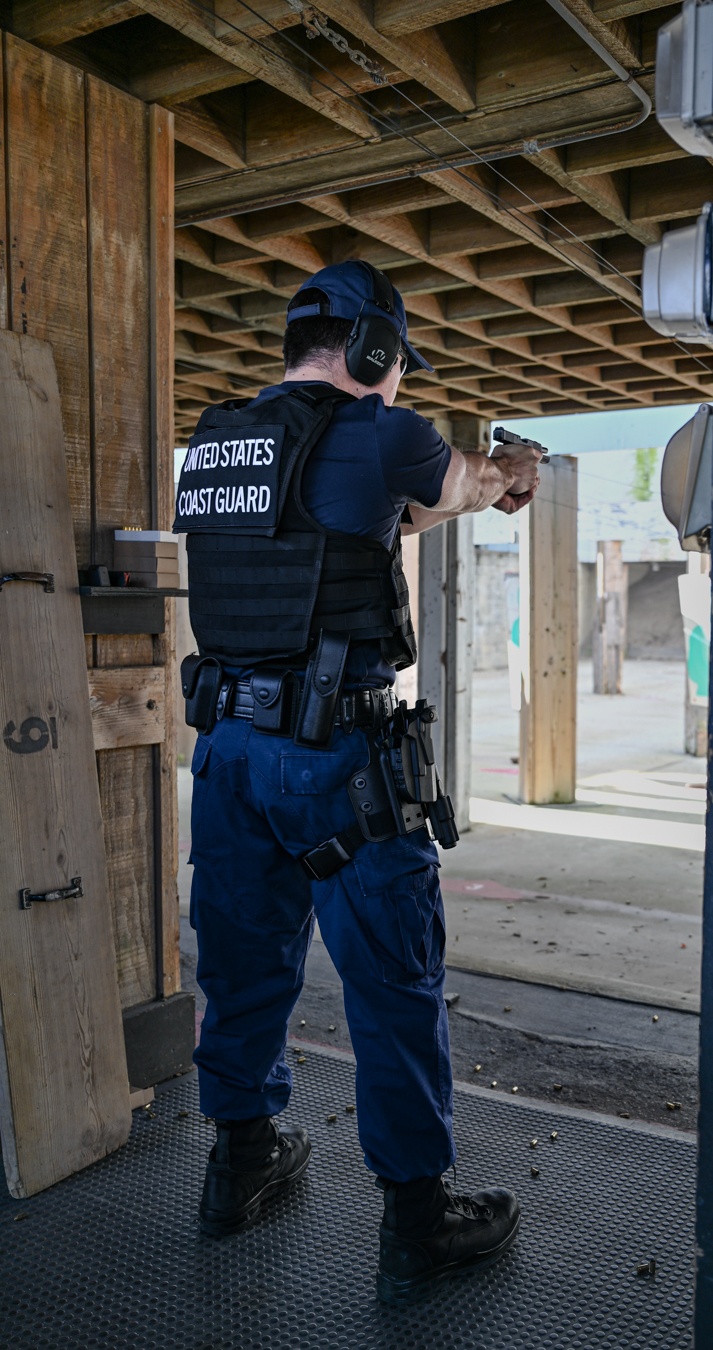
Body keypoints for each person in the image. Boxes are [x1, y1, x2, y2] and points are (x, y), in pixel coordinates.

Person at [175, 260, 542, 1306]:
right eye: (394, 366)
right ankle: (419, 1225)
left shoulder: (218, 446)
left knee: (241, 962)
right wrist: (498, 473)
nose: (395, 384)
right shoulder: (392, 432)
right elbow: (449, 485)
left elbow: (347, 526)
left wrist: (456, 490)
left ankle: (237, 1165)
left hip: (228, 753)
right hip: (337, 760)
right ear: (374, 352)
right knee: (392, 981)